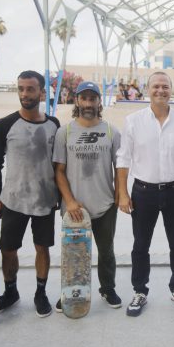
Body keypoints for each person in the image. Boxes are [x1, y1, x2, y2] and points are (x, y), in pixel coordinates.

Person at [117, 71, 174, 317]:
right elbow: (123, 159)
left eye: (165, 86)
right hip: (143, 192)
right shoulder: (133, 121)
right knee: (140, 245)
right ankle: (140, 291)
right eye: (156, 86)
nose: (160, 90)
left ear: (171, 89)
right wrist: (122, 193)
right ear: (147, 89)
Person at [0, 70, 60, 318]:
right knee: (8, 250)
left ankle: (40, 292)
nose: (25, 94)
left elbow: (60, 164)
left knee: (42, 248)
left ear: (41, 92)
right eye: (21, 89)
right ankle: (11, 292)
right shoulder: (4, 125)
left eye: (30, 89)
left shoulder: (54, 125)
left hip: (45, 200)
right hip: (13, 200)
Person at [53, 81, 123, 312]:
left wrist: (120, 196)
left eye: (93, 98)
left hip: (104, 205)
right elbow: (59, 171)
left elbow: (120, 168)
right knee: (74, 254)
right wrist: (70, 201)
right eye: (84, 98)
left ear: (99, 101)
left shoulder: (112, 132)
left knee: (106, 251)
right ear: (77, 101)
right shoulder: (65, 132)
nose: (89, 103)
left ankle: (108, 288)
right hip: (74, 208)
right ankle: (69, 292)